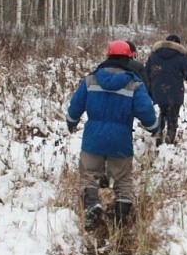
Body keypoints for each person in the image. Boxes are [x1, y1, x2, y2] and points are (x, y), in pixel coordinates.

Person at [66, 40, 159, 230]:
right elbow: (146, 112)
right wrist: (154, 127)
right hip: (120, 140)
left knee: (89, 175)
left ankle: (92, 205)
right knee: (123, 180)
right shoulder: (134, 84)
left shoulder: (90, 80)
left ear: (108, 56)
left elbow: (75, 105)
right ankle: (120, 222)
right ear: (128, 58)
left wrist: (71, 121)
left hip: (93, 139)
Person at [145, 34, 187, 145]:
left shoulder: (154, 55)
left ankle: (158, 132)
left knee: (162, 111)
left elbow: (146, 72)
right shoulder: (181, 57)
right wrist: (181, 75)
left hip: (158, 91)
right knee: (172, 115)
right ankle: (169, 138)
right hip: (175, 92)